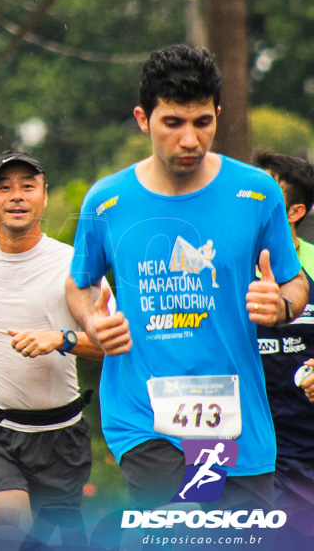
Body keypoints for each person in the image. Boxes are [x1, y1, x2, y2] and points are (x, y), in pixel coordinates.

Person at [65, 45, 309, 511]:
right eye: (173, 123)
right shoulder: (107, 201)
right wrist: (92, 323)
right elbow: (78, 283)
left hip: (239, 425)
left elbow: (293, 281)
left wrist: (280, 305)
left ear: (218, 115)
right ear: (143, 119)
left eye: (202, 122)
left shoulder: (257, 193)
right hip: (144, 419)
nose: (190, 139)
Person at [0, 151, 103, 540]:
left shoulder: (76, 265)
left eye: (28, 186)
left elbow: (110, 344)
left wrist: (61, 340)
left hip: (61, 433)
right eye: (4, 187)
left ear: (44, 196)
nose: (16, 196)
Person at [252, 151, 314, 518]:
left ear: (295, 212)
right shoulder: (217, 264)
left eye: (266, 195)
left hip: (303, 443)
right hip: (230, 438)